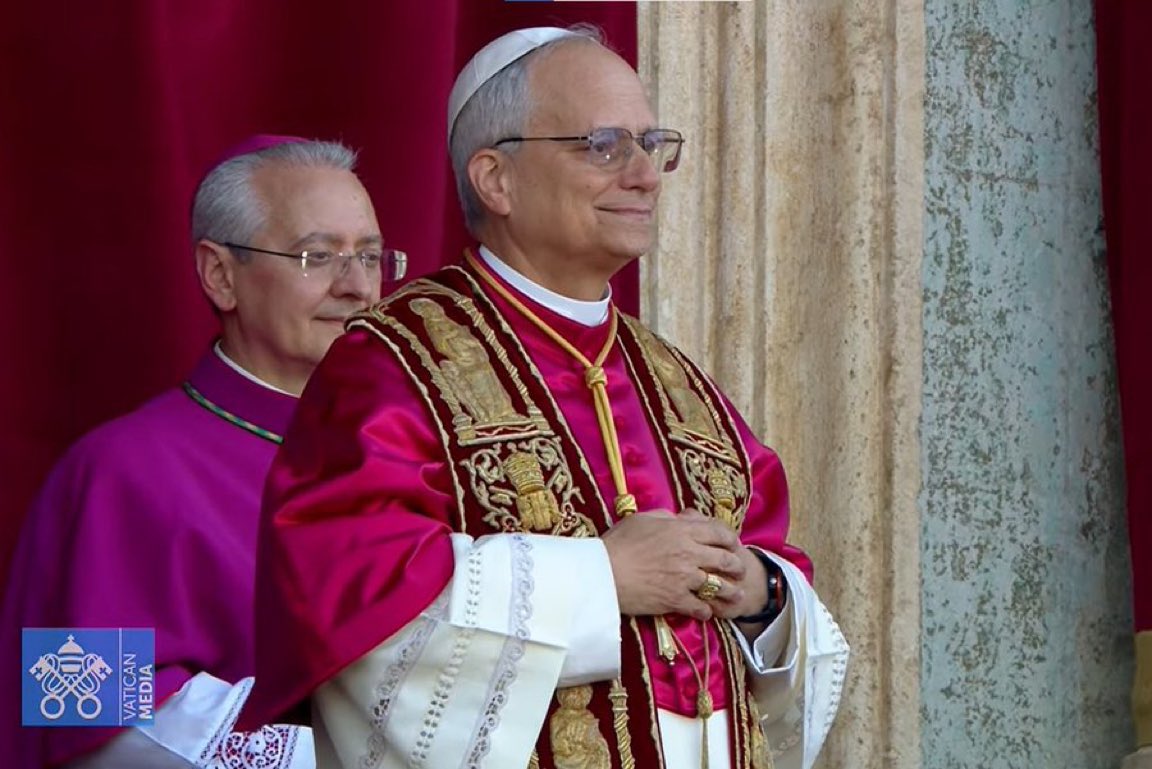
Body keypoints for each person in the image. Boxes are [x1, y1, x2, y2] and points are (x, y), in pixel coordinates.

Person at [244, 27, 848, 769]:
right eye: (603, 145)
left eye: (653, 144)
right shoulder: (392, 366)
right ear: (496, 179)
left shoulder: (681, 382)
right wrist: (601, 578)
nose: (645, 175)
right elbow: (356, 609)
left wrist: (760, 593)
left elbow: (777, 572)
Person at [0, 135, 405, 768]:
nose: (358, 287)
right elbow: (90, 713)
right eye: (318, 256)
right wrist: (361, 753)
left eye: (372, 257)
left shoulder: (412, 450)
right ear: (221, 275)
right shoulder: (119, 474)